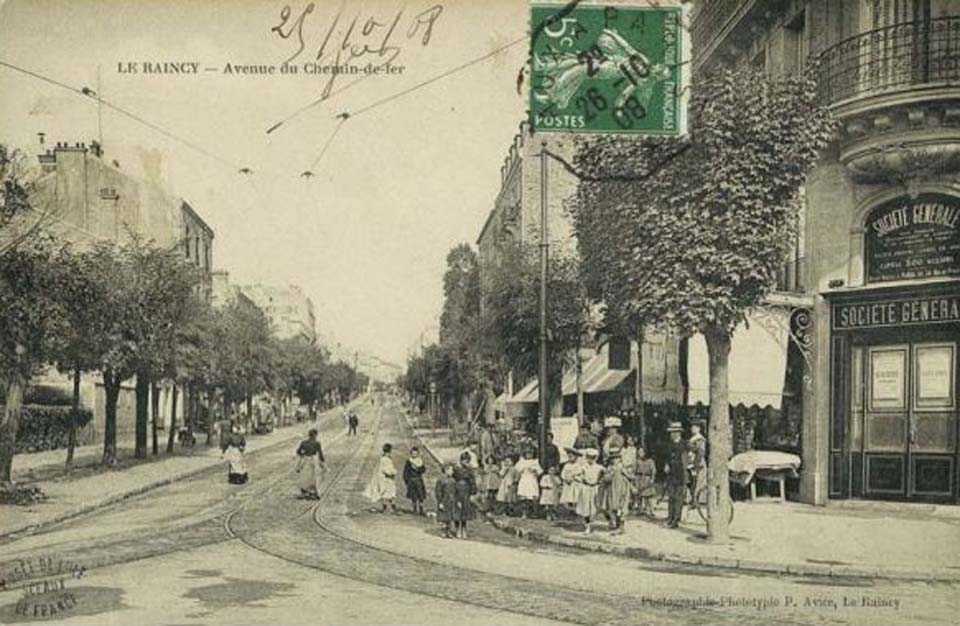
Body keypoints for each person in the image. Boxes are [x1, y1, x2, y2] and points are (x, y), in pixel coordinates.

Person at [664, 422, 688, 528]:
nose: (672, 434)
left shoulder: (685, 443)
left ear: (679, 433)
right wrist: (666, 465)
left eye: (674, 432)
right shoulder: (669, 444)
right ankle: (670, 517)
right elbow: (668, 457)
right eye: (671, 433)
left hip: (681, 473)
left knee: (678, 497)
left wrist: (692, 464)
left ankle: (676, 520)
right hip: (671, 473)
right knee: (671, 496)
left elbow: (699, 451)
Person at [574, 449, 603, 534]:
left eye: (593, 458)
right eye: (589, 457)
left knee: (595, 507)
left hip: (595, 488)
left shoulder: (599, 467)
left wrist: (600, 481)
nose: (591, 459)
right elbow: (575, 475)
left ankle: (591, 522)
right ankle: (587, 526)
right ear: (586, 457)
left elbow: (605, 474)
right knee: (586, 507)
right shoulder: (583, 467)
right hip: (586, 488)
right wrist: (580, 479)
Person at [603, 452, 632, 534]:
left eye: (617, 458)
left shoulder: (623, 468)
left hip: (622, 490)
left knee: (621, 507)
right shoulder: (609, 468)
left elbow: (630, 477)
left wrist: (625, 474)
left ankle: (621, 525)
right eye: (613, 458)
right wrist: (610, 475)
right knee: (612, 507)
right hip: (612, 491)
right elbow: (606, 479)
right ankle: (613, 523)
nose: (615, 460)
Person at [365, 443, 398, 513]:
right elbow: (386, 470)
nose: (389, 454)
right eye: (389, 452)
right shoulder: (385, 460)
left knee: (389, 493)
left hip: (386, 479)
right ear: (388, 452)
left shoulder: (384, 459)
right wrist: (393, 472)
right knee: (388, 493)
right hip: (386, 479)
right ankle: (388, 507)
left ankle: (389, 507)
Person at [294, 428, 325, 499]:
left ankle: (304, 491)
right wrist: (322, 462)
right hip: (313, 460)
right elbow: (320, 454)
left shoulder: (303, 442)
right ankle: (313, 492)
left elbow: (298, 452)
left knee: (304, 476)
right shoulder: (317, 443)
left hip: (304, 460)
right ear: (315, 435)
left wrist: (303, 454)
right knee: (313, 476)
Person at [452, 452, 477, 539]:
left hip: (466, 492)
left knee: (464, 512)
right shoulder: (456, 469)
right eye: (465, 461)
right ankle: (457, 529)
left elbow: (472, 482)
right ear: (461, 461)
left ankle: (464, 528)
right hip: (457, 491)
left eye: (468, 461)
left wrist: (473, 493)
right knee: (457, 511)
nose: (467, 463)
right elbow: (453, 480)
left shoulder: (470, 470)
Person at [514, 448, 543, 518]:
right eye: (527, 453)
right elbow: (517, 470)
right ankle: (524, 513)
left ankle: (534, 513)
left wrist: (534, 471)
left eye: (531, 453)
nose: (529, 455)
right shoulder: (522, 461)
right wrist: (521, 473)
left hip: (532, 479)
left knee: (533, 496)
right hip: (524, 479)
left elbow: (539, 472)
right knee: (524, 497)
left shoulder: (535, 462)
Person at [403, 446, 428, 515]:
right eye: (413, 453)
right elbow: (405, 472)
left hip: (418, 479)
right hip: (411, 480)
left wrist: (418, 469)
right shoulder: (408, 461)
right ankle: (414, 509)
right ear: (411, 454)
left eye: (416, 453)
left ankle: (421, 508)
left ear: (418, 454)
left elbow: (423, 470)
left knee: (420, 495)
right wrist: (406, 480)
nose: (414, 455)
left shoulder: (420, 461)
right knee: (413, 495)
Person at [434, 464, 457, 538]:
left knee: (450, 517)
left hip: (451, 500)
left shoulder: (453, 480)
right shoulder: (441, 480)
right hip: (444, 500)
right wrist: (440, 502)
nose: (452, 472)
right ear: (446, 470)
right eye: (451, 470)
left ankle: (449, 531)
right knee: (443, 517)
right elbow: (438, 491)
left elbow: (455, 490)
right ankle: (444, 531)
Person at [636, 446, 657, 517]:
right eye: (639, 452)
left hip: (647, 478)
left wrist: (652, 479)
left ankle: (651, 510)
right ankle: (640, 509)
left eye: (642, 452)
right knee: (639, 495)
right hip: (639, 478)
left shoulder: (650, 461)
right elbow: (634, 470)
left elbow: (653, 471)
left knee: (648, 496)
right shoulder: (637, 461)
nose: (640, 453)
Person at [688, 420, 708, 495]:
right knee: (693, 480)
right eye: (692, 427)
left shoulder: (700, 439)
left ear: (698, 428)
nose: (692, 429)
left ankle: (698, 499)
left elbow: (700, 452)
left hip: (698, 461)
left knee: (699, 481)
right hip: (692, 461)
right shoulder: (693, 438)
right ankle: (693, 498)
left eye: (694, 427)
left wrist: (696, 463)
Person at [559, 448, 581, 514]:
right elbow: (563, 474)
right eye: (569, 457)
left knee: (575, 497)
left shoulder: (578, 465)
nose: (570, 458)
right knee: (567, 497)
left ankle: (576, 510)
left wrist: (573, 478)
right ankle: (569, 510)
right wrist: (565, 478)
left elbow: (579, 474)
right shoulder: (566, 465)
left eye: (572, 456)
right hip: (567, 483)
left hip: (575, 483)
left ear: (576, 457)